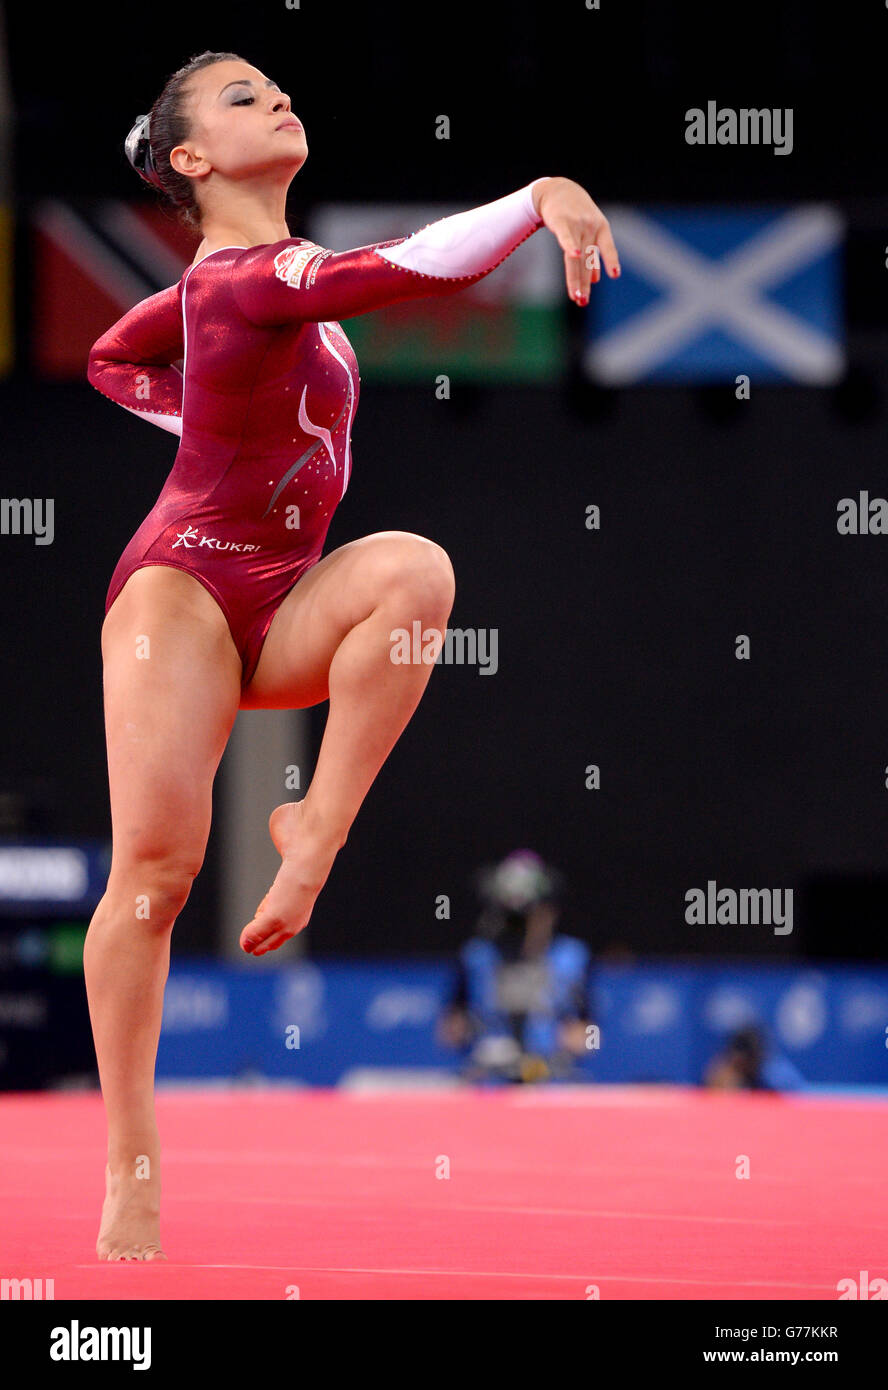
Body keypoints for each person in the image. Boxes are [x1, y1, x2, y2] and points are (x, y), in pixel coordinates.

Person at [82, 48, 620, 1261]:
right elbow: (404, 267)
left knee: (416, 570)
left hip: (281, 600)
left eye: (275, 86)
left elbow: (116, 354)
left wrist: (201, 413)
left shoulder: (236, 290)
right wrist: (541, 194)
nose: (276, 97)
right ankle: (132, 1157)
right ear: (191, 160)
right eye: (240, 97)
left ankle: (313, 828)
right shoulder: (247, 277)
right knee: (156, 874)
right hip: (180, 593)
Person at [438, 850, 596, 1083]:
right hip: (490, 1078)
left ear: (548, 911)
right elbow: (450, 1029)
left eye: (526, 915)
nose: (516, 925)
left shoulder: (572, 957)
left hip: (549, 1076)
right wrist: (463, 1029)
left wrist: (580, 1038)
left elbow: (592, 1033)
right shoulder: (477, 957)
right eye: (508, 915)